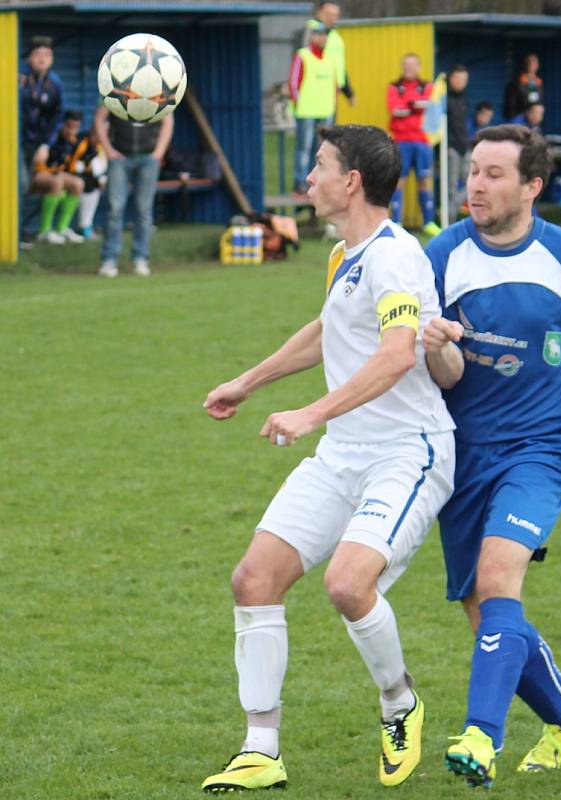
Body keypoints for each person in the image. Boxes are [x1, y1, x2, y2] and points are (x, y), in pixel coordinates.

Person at [200, 124, 456, 793]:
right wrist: (247, 382)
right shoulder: (345, 254)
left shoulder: (395, 258)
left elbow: (399, 353)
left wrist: (310, 414)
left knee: (347, 585)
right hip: (343, 452)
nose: (306, 178)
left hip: (407, 453)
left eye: (318, 166)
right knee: (254, 579)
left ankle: (399, 705)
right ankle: (260, 749)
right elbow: (327, 330)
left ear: (351, 183)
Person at [421, 124, 561, 788]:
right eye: (472, 171)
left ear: (531, 186)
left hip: (537, 451)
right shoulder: (443, 253)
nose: (475, 185)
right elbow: (441, 369)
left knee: (496, 577)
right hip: (459, 456)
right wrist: (435, 344)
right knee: (485, 610)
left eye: (491, 174)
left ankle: (479, 737)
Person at [95, 106, 174, 277]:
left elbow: (168, 119)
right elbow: (100, 117)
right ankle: (109, 258)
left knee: (144, 209)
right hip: (119, 157)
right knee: (115, 207)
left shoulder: (155, 89)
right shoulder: (116, 86)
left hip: (148, 158)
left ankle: (141, 258)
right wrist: (108, 149)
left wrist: (159, 152)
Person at [387, 53, 441, 236]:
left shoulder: (427, 86)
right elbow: (395, 109)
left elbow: (430, 106)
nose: (409, 68)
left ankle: (428, 222)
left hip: (422, 141)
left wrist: (409, 106)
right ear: (402, 67)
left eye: (413, 65)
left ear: (419, 67)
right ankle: (396, 222)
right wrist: (414, 106)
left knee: (424, 181)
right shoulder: (394, 87)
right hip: (401, 141)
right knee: (398, 181)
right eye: (406, 65)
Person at [288, 24, 336, 196]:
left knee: (322, 149)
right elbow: (294, 82)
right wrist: (297, 103)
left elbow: (334, 84)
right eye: (319, 34)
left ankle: (318, 182)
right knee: (304, 148)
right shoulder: (303, 55)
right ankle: (300, 182)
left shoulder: (330, 57)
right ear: (312, 36)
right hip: (307, 110)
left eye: (325, 35)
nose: (322, 38)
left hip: (325, 110)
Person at [19, 36, 65, 197]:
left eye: (47, 54)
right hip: (17, 142)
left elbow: (57, 116)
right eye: (38, 54)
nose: (42, 59)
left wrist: (46, 145)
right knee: (20, 184)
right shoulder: (18, 77)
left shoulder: (54, 83)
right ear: (30, 57)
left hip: (38, 144)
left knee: (32, 185)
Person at [32, 110, 85, 243]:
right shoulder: (51, 138)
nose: (71, 130)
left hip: (57, 175)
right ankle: (44, 231)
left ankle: (62, 228)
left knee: (78, 183)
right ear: (62, 124)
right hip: (38, 174)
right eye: (69, 126)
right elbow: (38, 163)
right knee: (57, 182)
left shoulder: (74, 142)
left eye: (75, 127)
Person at [302, 2, 355, 115]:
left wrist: (348, 92)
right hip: (314, 90)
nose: (332, 17)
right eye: (328, 13)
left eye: (335, 15)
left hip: (332, 92)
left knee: (329, 130)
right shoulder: (312, 28)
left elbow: (340, 66)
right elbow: (301, 58)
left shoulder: (335, 36)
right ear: (319, 13)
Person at [446, 64, 470, 224]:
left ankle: (451, 208)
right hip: (451, 147)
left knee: (471, 182)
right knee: (451, 186)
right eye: (459, 78)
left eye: (465, 79)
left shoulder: (464, 98)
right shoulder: (443, 97)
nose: (461, 82)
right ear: (451, 78)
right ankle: (449, 219)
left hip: (465, 146)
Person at [503, 53, 544, 121]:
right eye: (529, 62)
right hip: (517, 118)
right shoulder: (516, 82)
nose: (532, 65)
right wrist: (526, 112)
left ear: (538, 65)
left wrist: (539, 109)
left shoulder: (538, 82)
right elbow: (510, 105)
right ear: (525, 64)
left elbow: (538, 101)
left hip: (533, 119)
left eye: (534, 62)